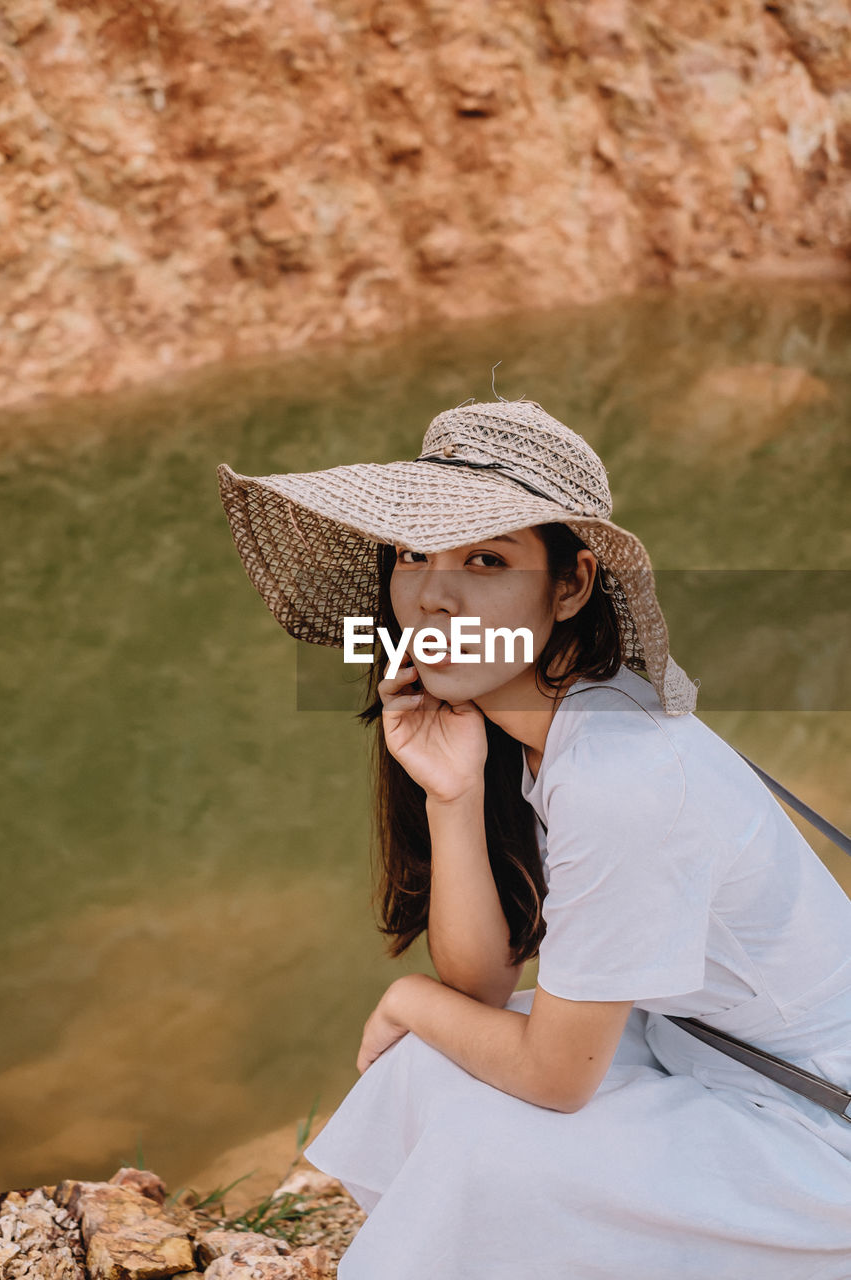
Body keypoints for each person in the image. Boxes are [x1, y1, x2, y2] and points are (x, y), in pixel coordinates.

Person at [217, 399, 851, 1279]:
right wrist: (453, 794)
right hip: (705, 1062)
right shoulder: (547, 726)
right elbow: (479, 982)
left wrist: (407, 1003)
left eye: (485, 558)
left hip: (818, 1139)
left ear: (570, 585)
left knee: (479, 1150)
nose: (432, 596)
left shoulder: (620, 772)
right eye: (412, 555)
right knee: (426, 1078)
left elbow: (556, 1077)